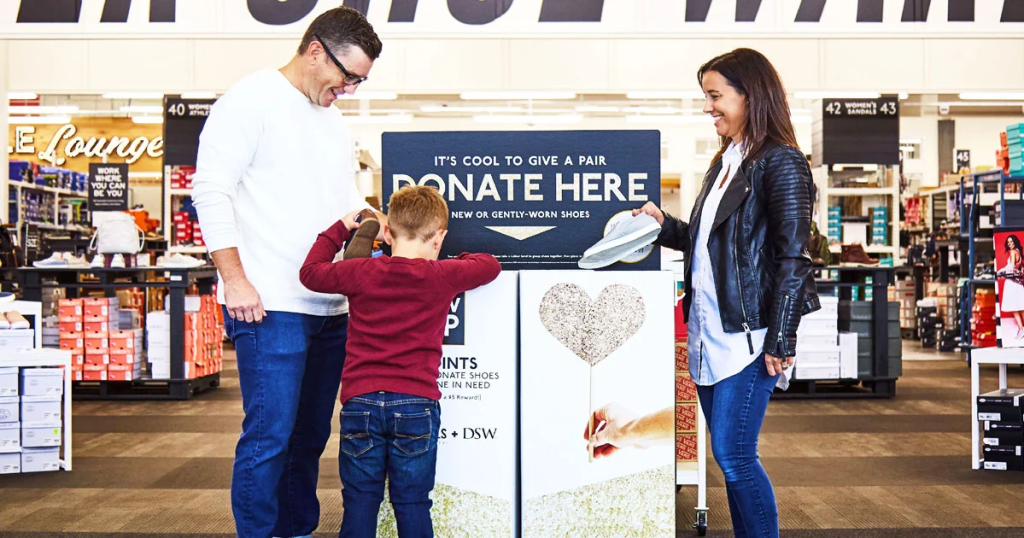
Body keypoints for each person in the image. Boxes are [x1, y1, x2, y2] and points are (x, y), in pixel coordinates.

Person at [190, 7, 383, 538]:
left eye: (360, 81)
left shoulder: (333, 120)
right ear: (316, 50)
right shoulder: (249, 100)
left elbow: (341, 198)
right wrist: (234, 279)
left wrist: (374, 215)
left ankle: (296, 529)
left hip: (329, 304)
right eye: (349, 77)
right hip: (270, 302)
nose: (350, 89)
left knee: (309, 437)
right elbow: (211, 191)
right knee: (269, 437)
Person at [633, 48, 819, 538]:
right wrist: (664, 226)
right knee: (729, 459)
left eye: (716, 96)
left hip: (751, 334)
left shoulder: (782, 163)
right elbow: (711, 241)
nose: (708, 107)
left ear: (750, 95)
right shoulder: (725, 161)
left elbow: (794, 257)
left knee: (734, 457)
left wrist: (782, 337)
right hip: (708, 331)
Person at [299, 185, 501, 538]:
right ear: (438, 238)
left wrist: (340, 228)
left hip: (360, 402)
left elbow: (311, 272)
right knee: (412, 502)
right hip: (415, 405)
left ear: (387, 233)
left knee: (360, 500)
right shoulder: (441, 275)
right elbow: (489, 265)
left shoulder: (361, 271)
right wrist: (455, 258)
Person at [998, 234, 1024, 339]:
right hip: (1018, 283)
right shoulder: (1019, 252)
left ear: (1015, 241)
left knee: (1014, 307)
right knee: (1021, 307)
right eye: (1008, 242)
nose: (1010, 244)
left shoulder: (1013, 252)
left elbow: (1011, 268)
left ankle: (1021, 329)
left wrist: (1000, 273)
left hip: (1012, 283)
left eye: (1011, 241)